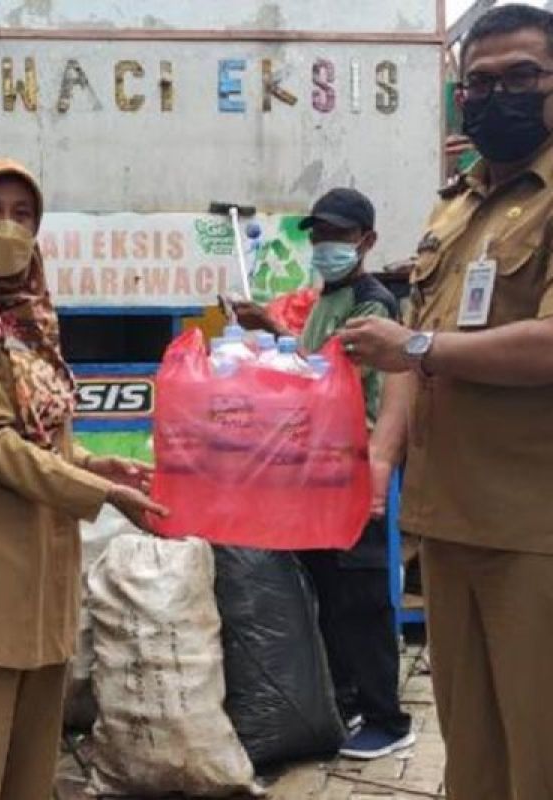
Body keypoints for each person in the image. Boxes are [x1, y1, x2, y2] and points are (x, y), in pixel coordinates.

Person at [338, 6, 553, 797]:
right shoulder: (454, 208)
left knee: (543, 749)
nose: (500, 95)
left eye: (524, 76)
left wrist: (419, 348)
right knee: (474, 755)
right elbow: (410, 350)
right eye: (482, 82)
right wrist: (380, 459)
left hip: (534, 530)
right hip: (449, 521)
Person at [0, 158, 167, 800]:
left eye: (23, 215)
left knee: (30, 776)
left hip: (41, 578)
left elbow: (38, 441)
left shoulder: (30, 318)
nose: (8, 228)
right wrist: (101, 494)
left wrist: (93, 465)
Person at [234, 188, 413, 760]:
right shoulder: (325, 301)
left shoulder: (372, 304)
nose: (325, 245)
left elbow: (364, 388)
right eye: (318, 236)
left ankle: (389, 718)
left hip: (353, 467)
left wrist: (379, 462)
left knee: (362, 595)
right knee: (329, 593)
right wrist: (269, 330)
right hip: (318, 472)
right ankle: (351, 699)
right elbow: (315, 362)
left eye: (337, 235)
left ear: (366, 241)